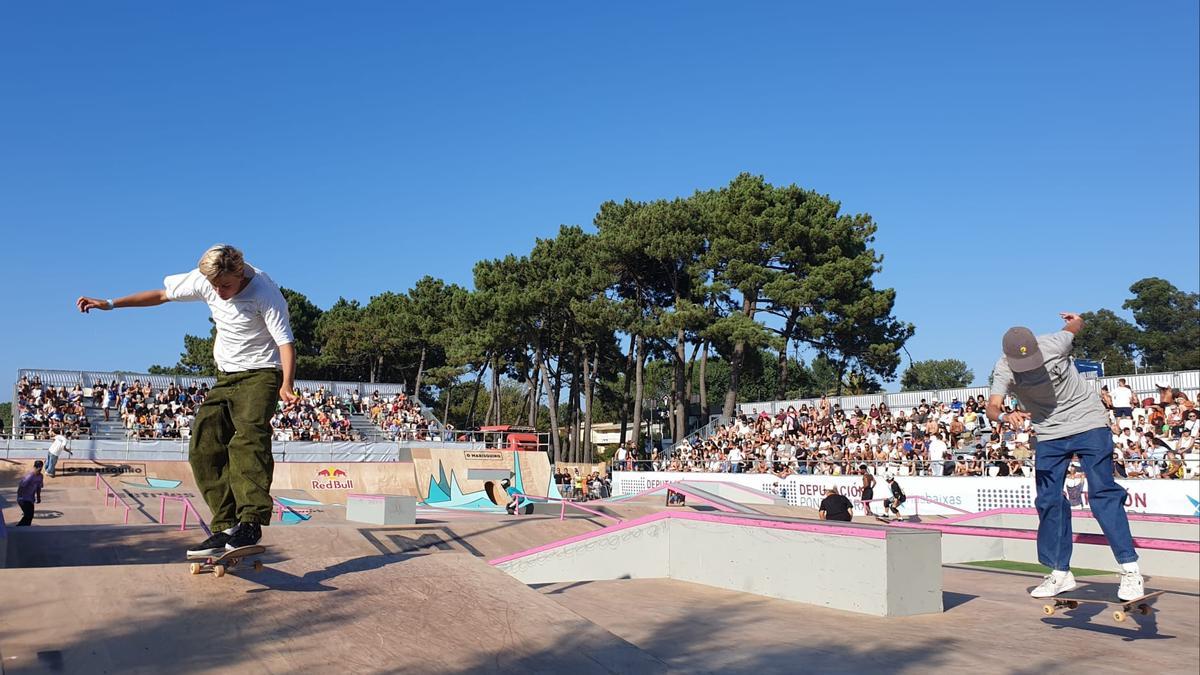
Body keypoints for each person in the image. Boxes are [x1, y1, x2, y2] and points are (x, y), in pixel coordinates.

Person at [76, 244, 298, 556]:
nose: (220, 293)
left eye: (227, 286)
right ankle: (226, 525)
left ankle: (251, 522)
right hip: (226, 377)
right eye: (214, 286)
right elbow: (160, 296)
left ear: (241, 273)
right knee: (203, 445)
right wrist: (110, 304)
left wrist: (286, 383)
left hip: (262, 374)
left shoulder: (265, 292)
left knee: (248, 439)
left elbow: (285, 343)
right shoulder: (204, 280)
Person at [987, 315, 1143, 601]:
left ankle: (1130, 570)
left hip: (1089, 423)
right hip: (1049, 433)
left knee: (1102, 494)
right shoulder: (1003, 368)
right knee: (1047, 500)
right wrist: (1005, 415)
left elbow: (1072, 329)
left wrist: (1078, 319)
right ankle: (1060, 573)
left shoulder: (1055, 344)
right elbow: (992, 407)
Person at [16, 460, 44, 526]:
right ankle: (19, 527)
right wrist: (20, 497)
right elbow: (21, 487)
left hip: (30, 499)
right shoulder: (29, 476)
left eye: (40, 468)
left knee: (30, 516)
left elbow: (38, 487)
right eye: (38, 468)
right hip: (23, 499)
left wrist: (38, 497)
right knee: (28, 515)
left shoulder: (40, 476)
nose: (39, 470)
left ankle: (25, 528)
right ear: (34, 467)